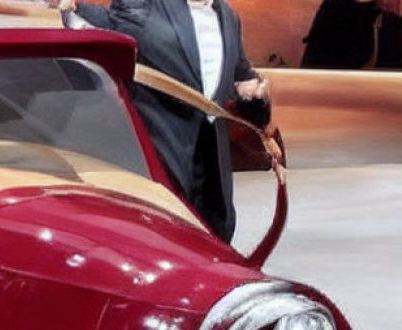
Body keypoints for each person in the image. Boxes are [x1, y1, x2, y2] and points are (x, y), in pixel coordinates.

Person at [60, 0, 269, 243]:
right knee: (163, 239)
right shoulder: (145, 5)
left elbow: (239, 73)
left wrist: (251, 89)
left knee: (213, 239)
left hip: (212, 159)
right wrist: (72, 8)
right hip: (162, 149)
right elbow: (104, 24)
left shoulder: (229, 17)